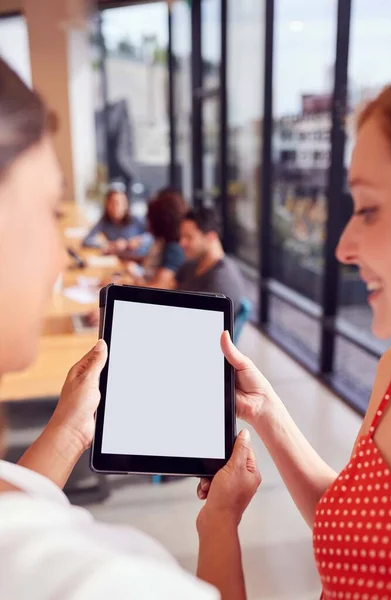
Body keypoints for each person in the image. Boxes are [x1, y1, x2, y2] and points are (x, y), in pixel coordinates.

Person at [0, 58, 261, 599]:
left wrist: (71, 429)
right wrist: (220, 523)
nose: (57, 254)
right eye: (50, 210)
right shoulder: (101, 579)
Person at [199, 85, 391, 599]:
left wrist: (216, 526)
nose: (343, 246)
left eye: (369, 209)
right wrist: (266, 413)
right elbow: (361, 533)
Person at [178, 207, 244, 312]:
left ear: (211, 236)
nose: (181, 243)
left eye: (189, 237)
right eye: (181, 237)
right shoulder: (190, 265)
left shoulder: (222, 280)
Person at [82, 184, 151, 256]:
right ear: (107, 205)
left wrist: (140, 240)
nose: (116, 207)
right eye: (112, 203)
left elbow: (154, 235)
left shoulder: (136, 219)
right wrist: (110, 244)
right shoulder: (104, 221)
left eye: (120, 203)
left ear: (126, 204)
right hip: (119, 258)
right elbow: (87, 240)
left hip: (137, 258)